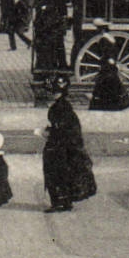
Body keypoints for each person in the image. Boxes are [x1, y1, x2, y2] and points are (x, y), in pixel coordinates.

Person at [40, 76, 97, 212]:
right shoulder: (66, 106)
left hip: (58, 146)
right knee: (65, 173)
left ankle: (58, 203)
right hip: (67, 146)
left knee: (53, 172)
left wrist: (47, 132)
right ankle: (66, 201)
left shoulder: (58, 108)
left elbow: (59, 128)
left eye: (54, 92)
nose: (53, 94)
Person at [88, 31, 129, 111]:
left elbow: (105, 52)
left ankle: (104, 104)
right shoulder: (109, 39)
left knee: (105, 82)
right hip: (109, 65)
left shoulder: (104, 39)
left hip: (107, 65)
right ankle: (114, 104)